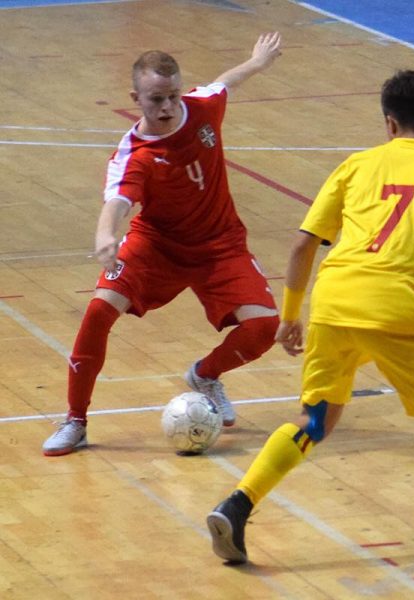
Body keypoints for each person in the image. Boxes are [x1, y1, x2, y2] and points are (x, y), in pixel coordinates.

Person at [206, 70, 414, 570]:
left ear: (389, 124)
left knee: (316, 418)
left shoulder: (357, 164)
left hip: (334, 299)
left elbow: (303, 244)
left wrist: (290, 316)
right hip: (394, 307)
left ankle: (236, 504)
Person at [42, 33, 283, 457]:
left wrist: (257, 61)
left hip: (220, 244)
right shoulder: (134, 154)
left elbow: (226, 81)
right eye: (156, 99)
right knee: (99, 311)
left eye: (172, 95)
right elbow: (117, 200)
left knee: (264, 328)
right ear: (136, 97)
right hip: (157, 246)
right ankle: (76, 420)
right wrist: (105, 234)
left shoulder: (203, 107)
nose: (167, 107)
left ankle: (206, 375)